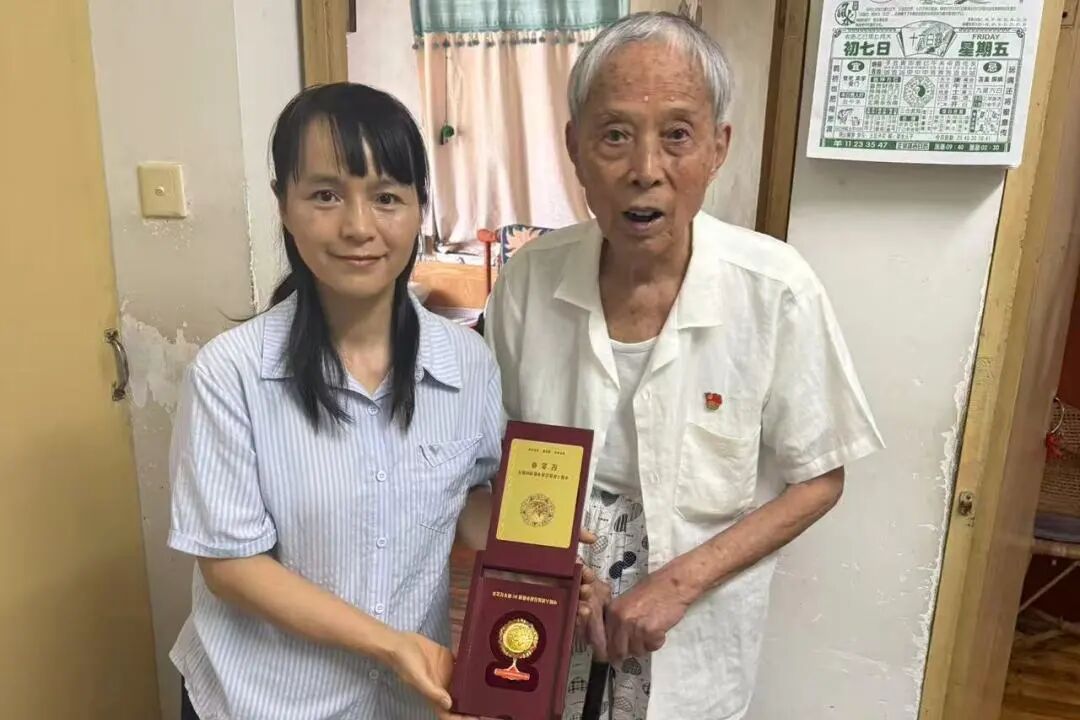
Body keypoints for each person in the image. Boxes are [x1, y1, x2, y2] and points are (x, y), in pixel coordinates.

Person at [483, 12, 885, 720]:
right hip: (548, 604)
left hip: (693, 623)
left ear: (718, 147)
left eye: (677, 135)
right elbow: (493, 454)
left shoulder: (775, 289)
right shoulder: (527, 280)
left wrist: (677, 584)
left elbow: (819, 476)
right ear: (574, 147)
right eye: (614, 135)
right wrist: (549, 566)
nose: (646, 169)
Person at [167, 82, 595, 720]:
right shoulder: (230, 375)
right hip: (264, 698)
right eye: (325, 195)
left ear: (420, 207)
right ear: (284, 205)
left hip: (402, 699)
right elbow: (232, 568)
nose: (358, 227)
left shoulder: (468, 363)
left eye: (387, 197)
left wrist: (538, 550)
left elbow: (463, 500)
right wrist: (389, 645)